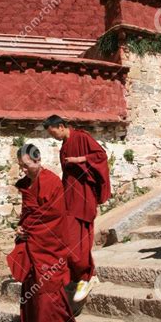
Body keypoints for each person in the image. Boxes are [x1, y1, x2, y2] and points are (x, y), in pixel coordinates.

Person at [12, 143, 80, 322]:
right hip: (33, 246)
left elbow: (54, 217)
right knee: (31, 294)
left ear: (38, 160)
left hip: (49, 246)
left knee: (47, 292)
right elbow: (28, 214)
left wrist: (30, 229)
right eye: (20, 166)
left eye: (26, 165)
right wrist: (21, 229)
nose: (23, 170)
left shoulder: (50, 181)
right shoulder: (28, 184)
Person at [43, 115, 111, 302]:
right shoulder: (64, 147)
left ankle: (86, 277)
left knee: (77, 238)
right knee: (68, 237)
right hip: (70, 197)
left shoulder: (81, 137)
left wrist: (80, 159)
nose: (54, 137)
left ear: (62, 126)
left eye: (54, 132)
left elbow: (101, 156)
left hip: (84, 197)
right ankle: (84, 275)